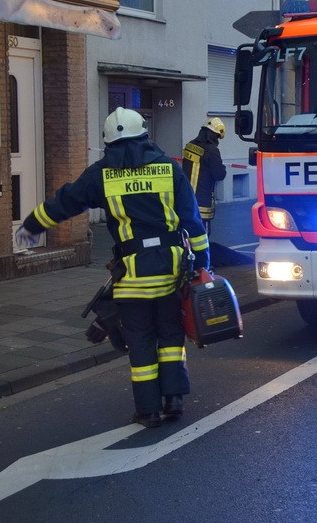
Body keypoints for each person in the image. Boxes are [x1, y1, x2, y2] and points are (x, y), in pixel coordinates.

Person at [15, 107, 210, 429]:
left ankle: (147, 411)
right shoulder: (168, 169)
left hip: (132, 275)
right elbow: (191, 221)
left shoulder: (101, 174)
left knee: (142, 341)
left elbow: (67, 201)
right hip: (171, 270)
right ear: (145, 133)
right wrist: (202, 264)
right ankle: (174, 399)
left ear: (108, 140)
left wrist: (33, 225)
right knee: (171, 336)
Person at [182, 117, 227, 235]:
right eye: (217, 136)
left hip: (185, 198)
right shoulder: (212, 151)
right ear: (213, 135)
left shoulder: (190, 145)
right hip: (202, 202)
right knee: (203, 237)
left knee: (186, 234)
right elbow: (219, 174)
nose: (217, 140)